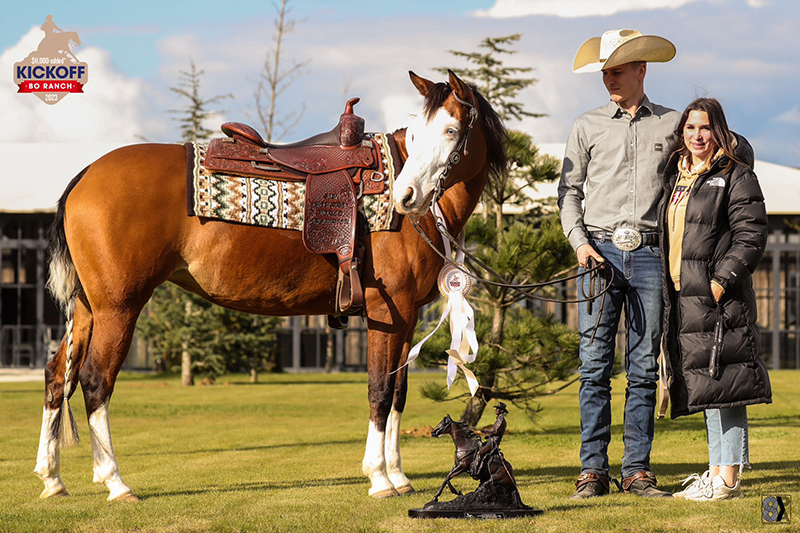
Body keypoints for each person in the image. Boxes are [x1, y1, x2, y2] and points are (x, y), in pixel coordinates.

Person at [558, 29, 680, 499]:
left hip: (650, 254)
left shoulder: (673, 124)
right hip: (599, 255)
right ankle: (592, 471)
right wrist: (579, 244)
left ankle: (637, 471)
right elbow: (568, 193)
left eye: (617, 71)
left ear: (641, 69)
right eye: (605, 72)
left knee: (644, 368)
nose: (608, 79)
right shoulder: (585, 125)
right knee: (593, 368)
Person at [659, 98, 771, 501]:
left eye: (704, 128)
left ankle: (729, 479)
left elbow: (752, 235)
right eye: (690, 129)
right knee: (709, 385)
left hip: (717, 299)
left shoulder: (736, 174)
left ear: (719, 130)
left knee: (729, 384)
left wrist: (720, 283)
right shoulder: (679, 175)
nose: (697, 136)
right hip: (685, 297)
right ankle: (715, 472)